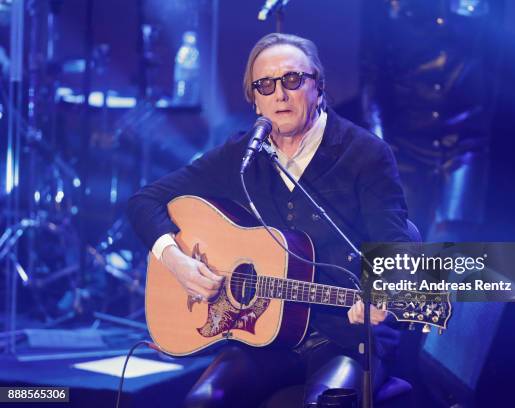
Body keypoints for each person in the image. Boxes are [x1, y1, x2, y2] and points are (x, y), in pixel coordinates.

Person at [127, 32, 414, 407]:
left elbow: (397, 245)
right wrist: (176, 261)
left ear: (319, 87)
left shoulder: (365, 153)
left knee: (328, 404)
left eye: (292, 80)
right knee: (203, 401)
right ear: (255, 101)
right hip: (264, 339)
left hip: (346, 336)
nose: (279, 94)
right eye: (265, 85)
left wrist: (381, 291)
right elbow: (144, 201)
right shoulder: (243, 155)